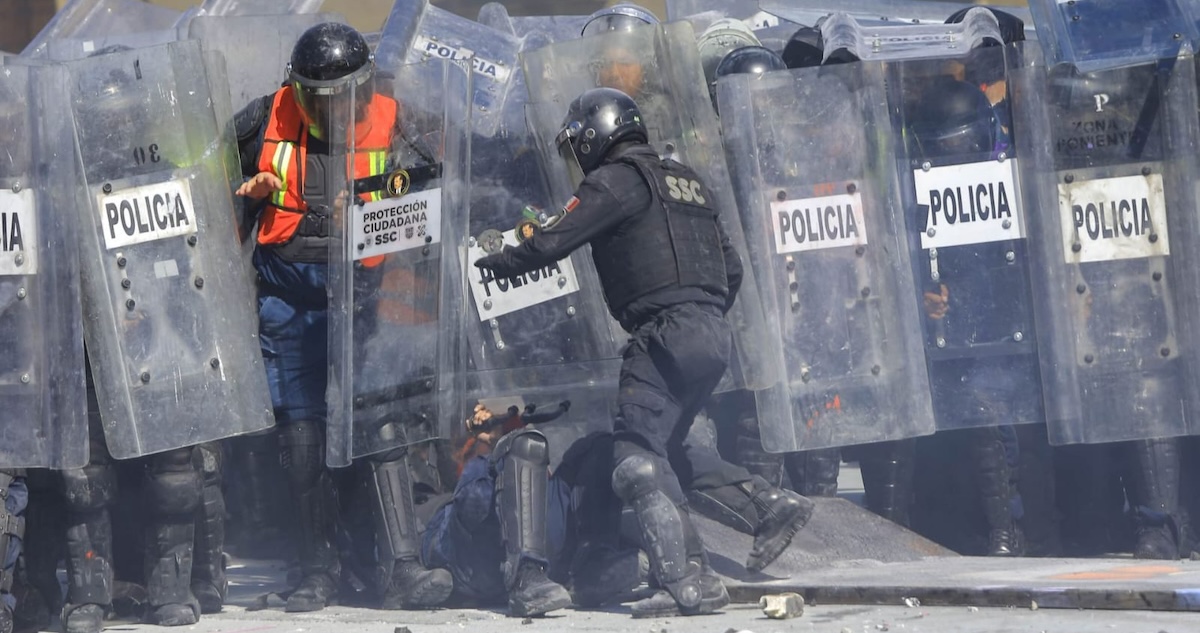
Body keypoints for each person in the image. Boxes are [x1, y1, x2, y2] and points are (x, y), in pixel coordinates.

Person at [475, 87, 738, 618]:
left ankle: (685, 579)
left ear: (595, 135)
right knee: (666, 452)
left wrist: (499, 261)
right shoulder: (685, 180)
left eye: (578, 146)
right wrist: (699, 313)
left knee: (636, 458)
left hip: (661, 331)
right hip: (713, 330)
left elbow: (552, 241)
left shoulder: (613, 180)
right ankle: (709, 570)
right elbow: (730, 268)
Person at [233, 22, 452, 612]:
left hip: (365, 303)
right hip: (287, 301)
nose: (330, 111)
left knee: (382, 427)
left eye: (341, 98)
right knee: (301, 440)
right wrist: (242, 193)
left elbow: (431, 204)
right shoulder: (259, 121)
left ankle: (403, 567)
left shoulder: (396, 120)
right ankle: (315, 573)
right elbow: (211, 203)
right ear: (295, 89)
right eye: (314, 98)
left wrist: (368, 206)